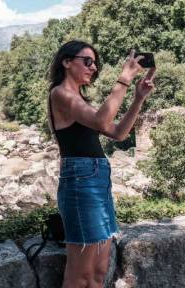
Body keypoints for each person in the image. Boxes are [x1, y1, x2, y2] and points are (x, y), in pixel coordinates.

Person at [48, 40, 156, 288]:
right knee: (80, 275)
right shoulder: (60, 94)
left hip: (96, 179)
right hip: (80, 181)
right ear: (67, 62)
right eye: (87, 61)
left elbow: (117, 133)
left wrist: (138, 98)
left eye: (95, 63)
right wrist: (125, 78)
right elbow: (100, 121)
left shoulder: (79, 100)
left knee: (98, 272)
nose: (93, 67)